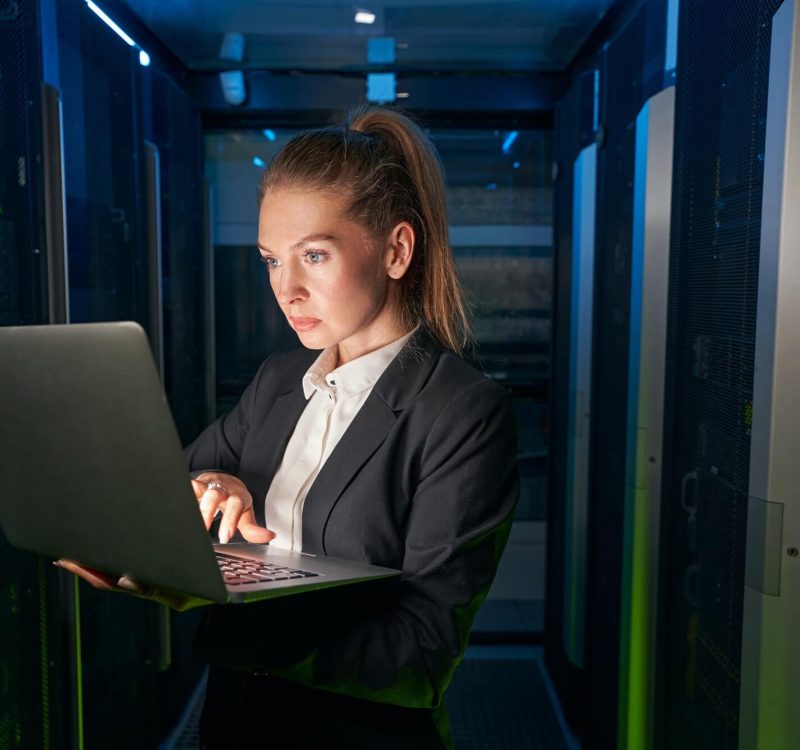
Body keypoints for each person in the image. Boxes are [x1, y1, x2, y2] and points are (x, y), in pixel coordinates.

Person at [62, 106, 519, 749]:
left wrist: (230, 617)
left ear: (396, 250)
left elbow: (420, 657)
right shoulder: (278, 380)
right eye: (272, 260)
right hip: (233, 725)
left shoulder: (462, 412)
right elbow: (167, 490)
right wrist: (208, 482)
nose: (287, 288)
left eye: (313, 254)